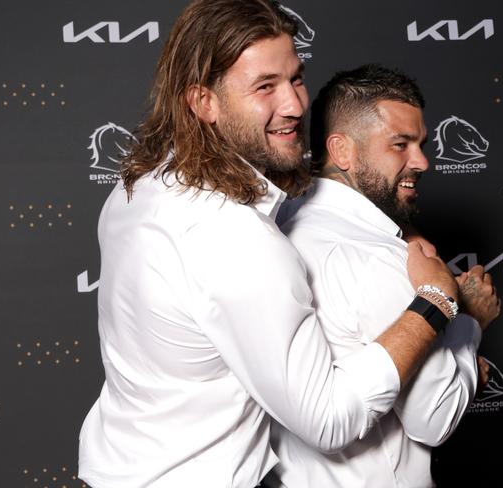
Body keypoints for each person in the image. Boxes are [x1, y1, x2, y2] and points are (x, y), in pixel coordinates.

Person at [78, 2, 464, 487]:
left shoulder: (138, 186)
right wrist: (435, 303)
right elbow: (330, 419)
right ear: (204, 102)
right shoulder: (235, 238)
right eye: (265, 87)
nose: (296, 106)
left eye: (296, 79)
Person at [269, 64, 501, 488]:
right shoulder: (379, 259)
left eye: (421, 143)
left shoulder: (281, 224)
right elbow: (435, 418)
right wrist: (468, 322)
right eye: (400, 144)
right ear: (342, 151)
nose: (423, 161)